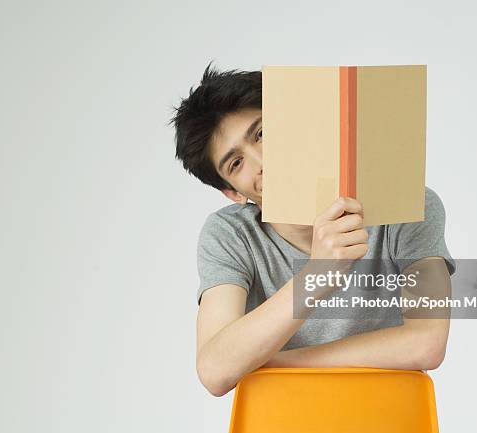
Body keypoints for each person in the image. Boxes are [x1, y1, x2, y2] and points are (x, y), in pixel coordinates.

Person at [169, 61, 456, 397]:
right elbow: (215, 369)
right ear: (233, 192)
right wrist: (318, 275)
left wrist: (275, 361)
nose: (263, 162)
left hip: (388, 412)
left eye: (262, 134)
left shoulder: (408, 205)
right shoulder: (230, 235)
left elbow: (427, 341)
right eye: (237, 163)